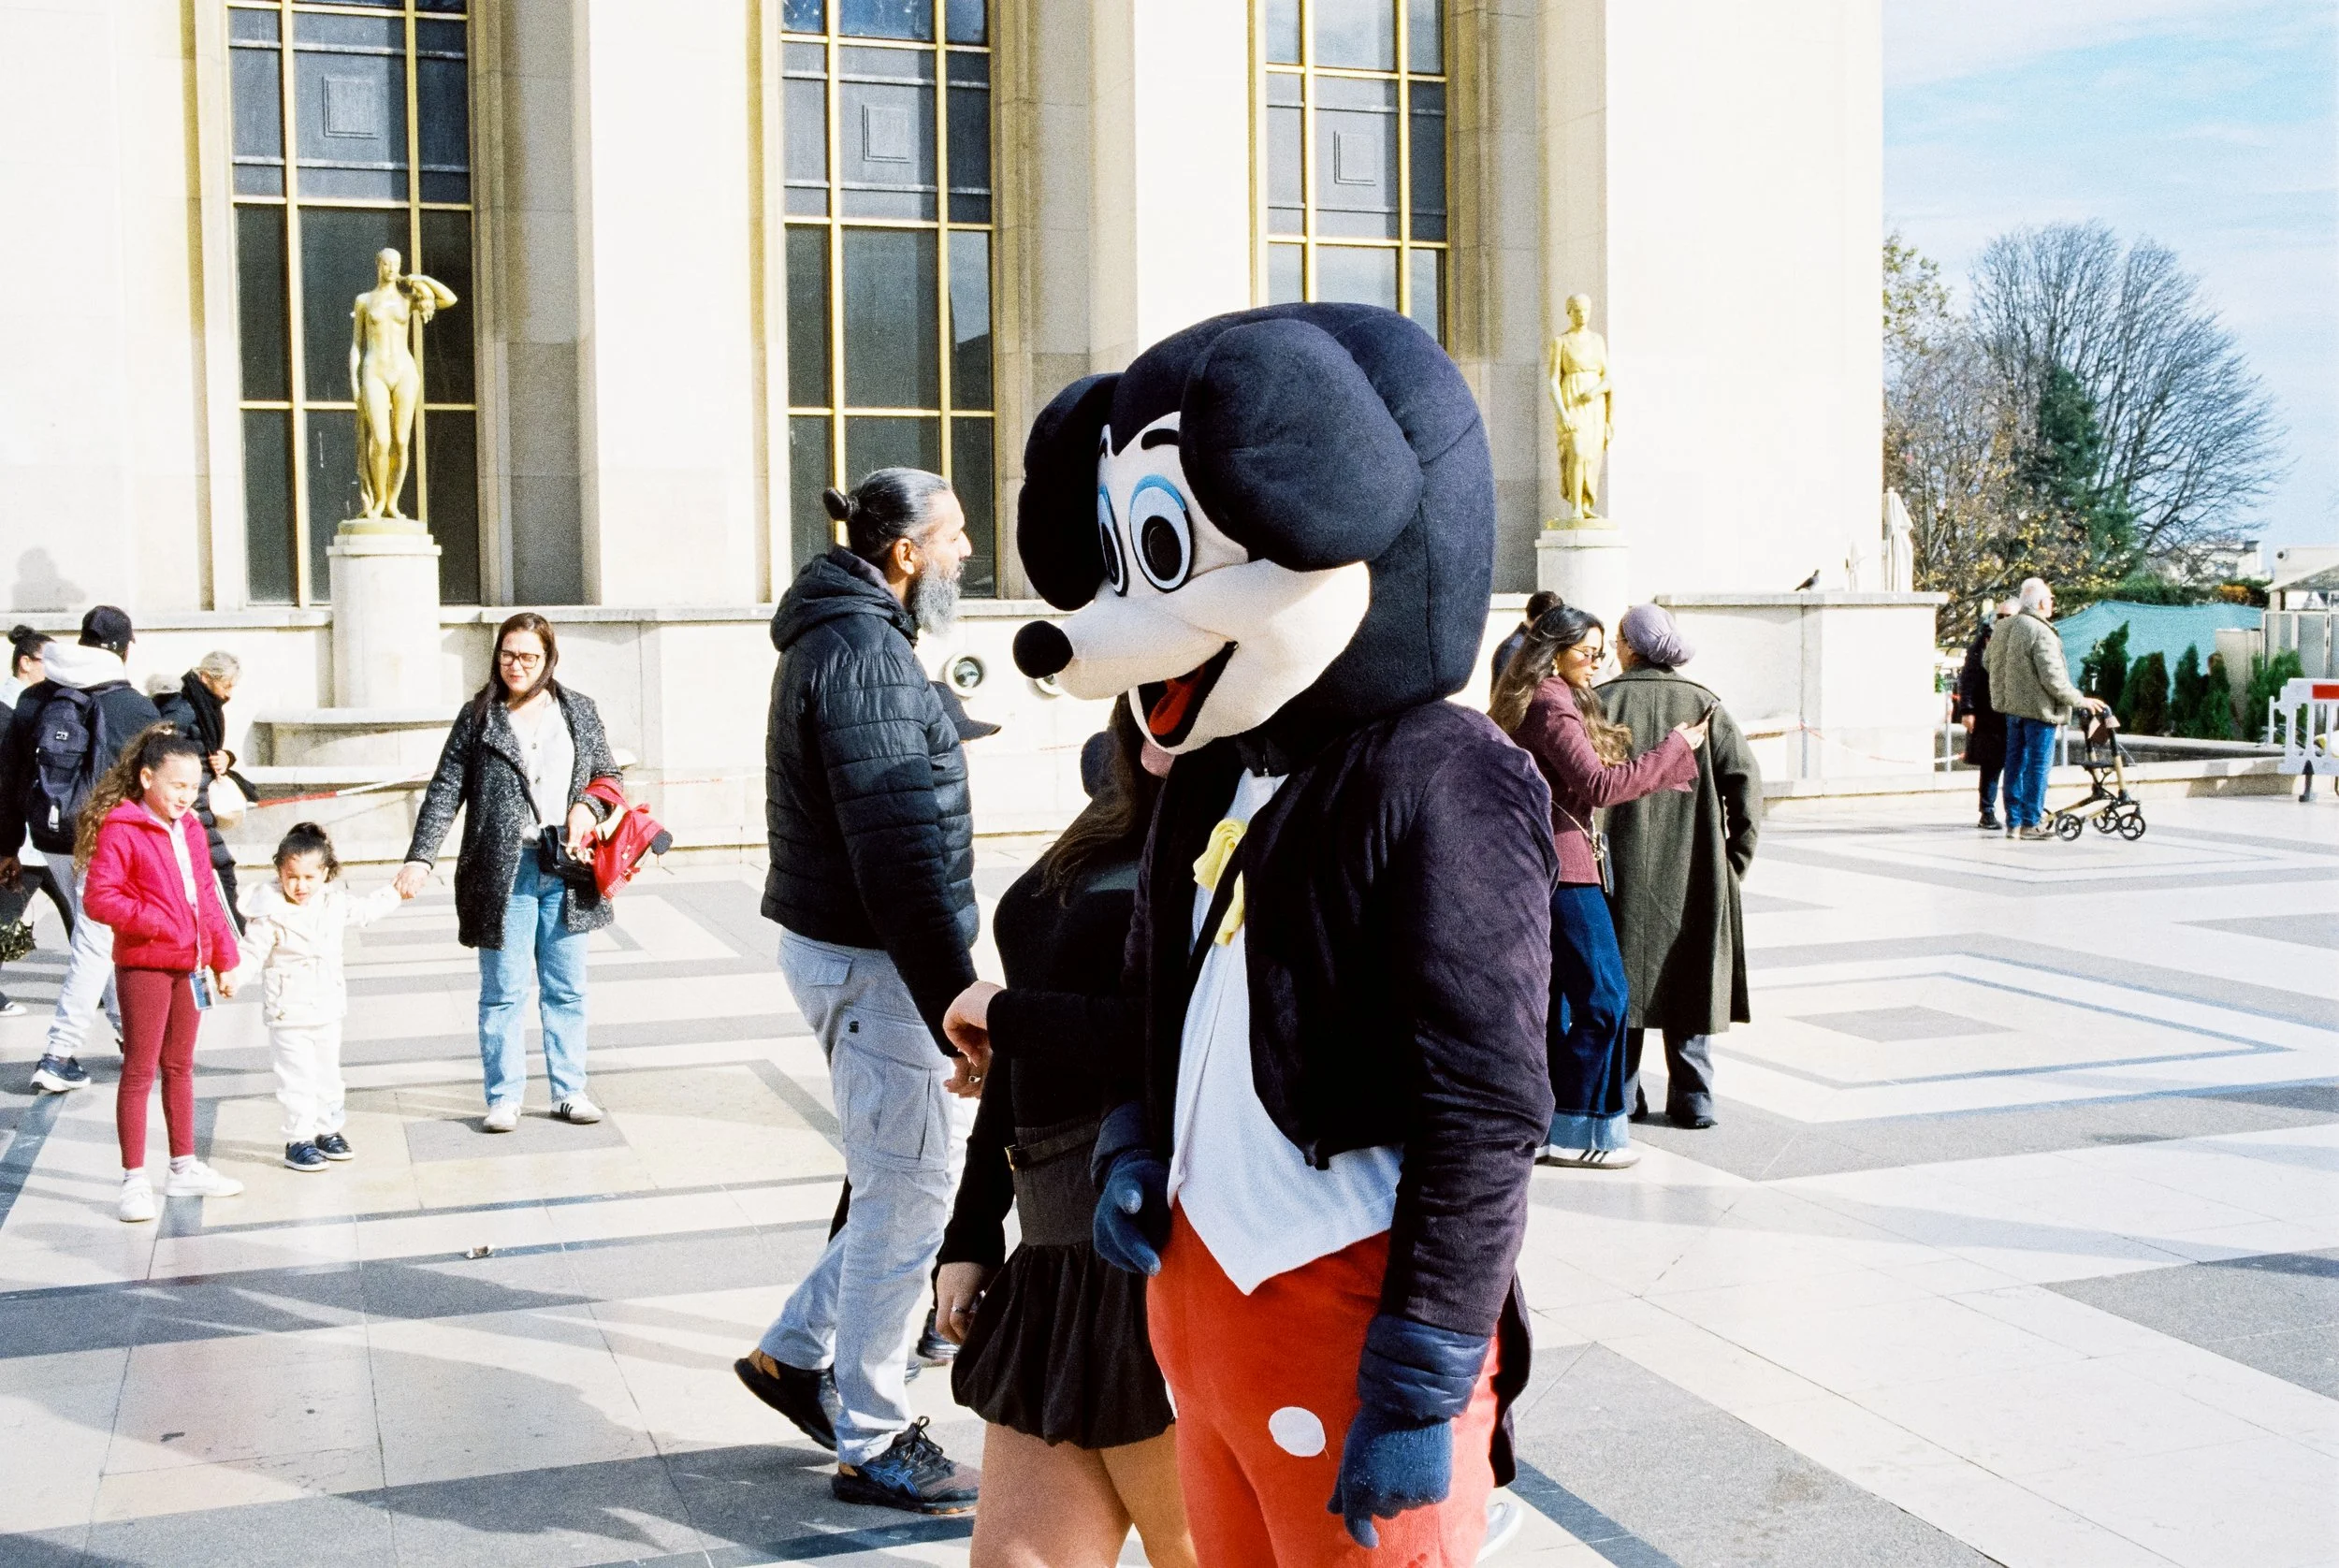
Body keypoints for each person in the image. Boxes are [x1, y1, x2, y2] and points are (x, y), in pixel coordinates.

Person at [735, 468, 983, 1517]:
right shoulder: (866, 652)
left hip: (850, 951)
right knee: (914, 1193)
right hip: (879, 963)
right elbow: (899, 859)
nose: (967, 552)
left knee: (895, 1177)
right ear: (905, 551)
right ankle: (875, 1434)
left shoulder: (842, 637)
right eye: (955, 535)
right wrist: (955, 1000)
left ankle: (796, 1354)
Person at [931, 706, 1195, 1568]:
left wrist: (1007, 1014)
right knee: (1017, 1561)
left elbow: (1172, 1035)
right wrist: (972, 1232)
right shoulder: (1120, 806)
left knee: (1190, 1548)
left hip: (1159, 1245)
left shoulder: (1258, 817)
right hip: (1052, 1244)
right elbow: (1017, 1042)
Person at [1491, 604, 1705, 1169]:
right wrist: (1677, 747)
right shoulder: (1551, 703)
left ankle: (1557, 1123)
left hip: (1556, 865)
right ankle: (1578, 1128)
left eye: (1599, 652)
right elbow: (1601, 785)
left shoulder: (1547, 698)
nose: (1595, 661)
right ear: (1553, 653)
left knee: (1566, 1001)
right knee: (1605, 997)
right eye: (1586, 652)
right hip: (1566, 870)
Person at [394, 613, 622, 1128]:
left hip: (568, 870)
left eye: (528, 657)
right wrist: (420, 856)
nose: (516, 666)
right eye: (507, 655)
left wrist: (588, 805)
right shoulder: (478, 716)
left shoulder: (578, 710)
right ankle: (503, 1096)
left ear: (548, 660)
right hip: (503, 872)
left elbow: (609, 774)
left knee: (566, 988)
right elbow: (445, 790)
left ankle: (570, 1090)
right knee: (503, 992)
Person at [1595, 603, 1761, 1130]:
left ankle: (1622, 1099)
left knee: (1622, 978)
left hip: (1613, 868)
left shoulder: (1602, 702)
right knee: (1691, 978)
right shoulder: (1704, 705)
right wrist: (1733, 860)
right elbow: (1746, 788)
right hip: (1695, 869)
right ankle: (1694, 1101)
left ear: (1628, 645)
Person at [77, 724, 245, 1223]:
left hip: (189, 967)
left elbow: (206, 897)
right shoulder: (122, 827)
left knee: (180, 1067)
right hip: (146, 966)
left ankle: (183, 1165)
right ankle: (133, 1178)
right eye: (177, 786)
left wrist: (224, 958)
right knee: (139, 1070)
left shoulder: (191, 828)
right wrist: (154, 922)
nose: (186, 797)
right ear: (148, 778)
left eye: (193, 788)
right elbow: (100, 897)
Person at [0, 606, 162, 1093]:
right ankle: (59, 1053)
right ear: (125, 648)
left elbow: (9, 778)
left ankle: (125, 1032)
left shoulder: (34, 698)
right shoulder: (134, 705)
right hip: (102, 838)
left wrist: (7, 845)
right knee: (95, 942)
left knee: (97, 937)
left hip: (49, 835)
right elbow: (150, 785)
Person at [241, 822, 410, 1172]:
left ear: (325, 874)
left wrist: (397, 891)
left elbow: (365, 911)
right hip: (288, 1012)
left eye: (308, 877)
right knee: (296, 1076)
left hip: (327, 1007)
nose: (300, 886)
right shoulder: (268, 912)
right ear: (279, 872)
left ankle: (327, 1130)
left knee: (328, 1074)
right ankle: (298, 1138)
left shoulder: (333, 903)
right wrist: (231, 976)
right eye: (292, 877)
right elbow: (250, 952)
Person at [1983, 577, 2107, 842]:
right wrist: (2081, 700)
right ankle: (2031, 822)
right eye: (2050, 598)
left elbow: (1987, 661)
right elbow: (2053, 678)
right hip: (2040, 711)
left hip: (2012, 709)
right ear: (2041, 603)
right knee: (2037, 767)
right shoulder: (2040, 631)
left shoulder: (2004, 627)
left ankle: (2013, 822)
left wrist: (2016, 681)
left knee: (2014, 765)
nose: (2052, 603)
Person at [155, 650, 260, 932]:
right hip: (189, 804)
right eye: (226, 685)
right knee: (220, 868)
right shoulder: (184, 708)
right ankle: (235, 934)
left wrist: (226, 757)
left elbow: (207, 751)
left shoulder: (204, 706)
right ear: (205, 677)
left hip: (197, 799)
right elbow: (161, 752)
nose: (229, 693)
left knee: (206, 871)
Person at [0, 627, 72, 1019]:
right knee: (4, 917)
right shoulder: (7, 710)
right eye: (49, 661)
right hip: (21, 838)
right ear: (26, 663)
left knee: (83, 916)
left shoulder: (45, 707)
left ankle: (101, 988)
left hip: (47, 834)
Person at [1953, 599, 2014, 831]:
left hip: (2013, 711)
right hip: (1989, 713)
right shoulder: (1983, 643)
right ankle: (1987, 811)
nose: (2005, 621)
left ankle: (2015, 812)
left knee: (2015, 765)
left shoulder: (2021, 638)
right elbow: (1968, 679)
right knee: (1991, 765)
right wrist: (1967, 710)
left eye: (2010, 617)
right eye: (2001, 617)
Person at [1488, 590, 1562, 690]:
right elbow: (1504, 696)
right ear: (1540, 619)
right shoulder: (1512, 650)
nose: (1556, 628)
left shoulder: (1538, 643)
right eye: (1553, 622)